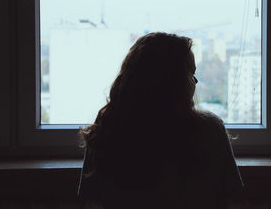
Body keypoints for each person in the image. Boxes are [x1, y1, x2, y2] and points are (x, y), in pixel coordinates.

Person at [78, 32, 244, 208]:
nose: (195, 81)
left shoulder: (108, 126)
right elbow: (229, 201)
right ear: (174, 81)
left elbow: (92, 201)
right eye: (190, 73)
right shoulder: (210, 130)